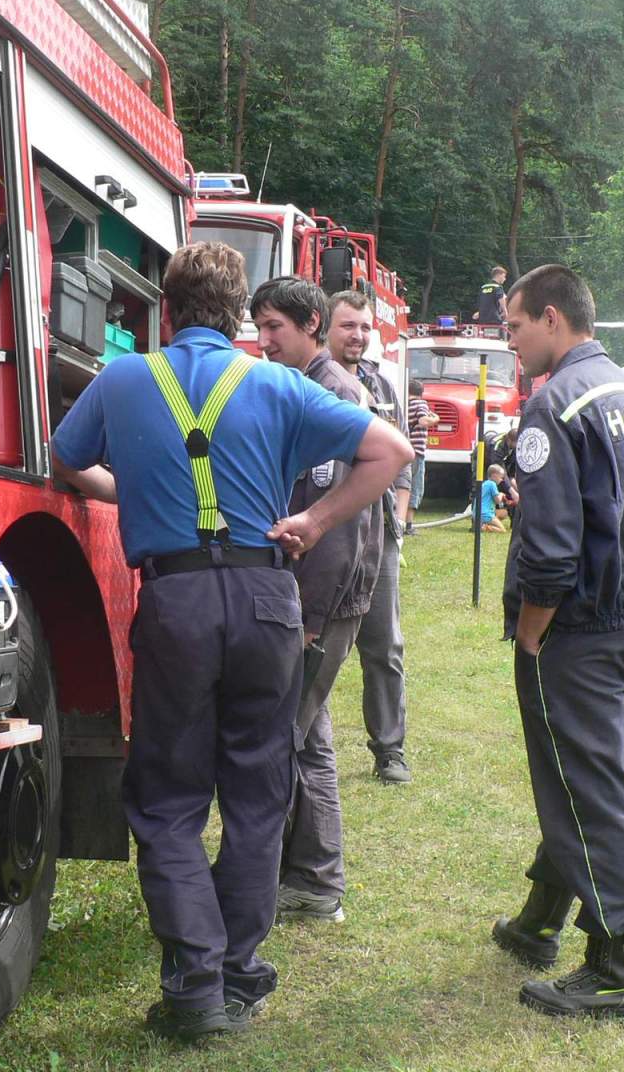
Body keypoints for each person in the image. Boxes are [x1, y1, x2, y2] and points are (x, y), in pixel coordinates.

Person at [51, 242, 409, 1041]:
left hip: (176, 600)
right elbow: (392, 451)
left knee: (168, 800)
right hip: (267, 600)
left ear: (166, 309)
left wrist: (139, 491)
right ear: (240, 315)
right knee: (257, 794)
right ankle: (239, 974)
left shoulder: (123, 378)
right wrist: (314, 520)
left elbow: (67, 462)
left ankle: (195, 985)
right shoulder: (278, 383)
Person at [492, 263, 624, 1020]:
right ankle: (540, 919)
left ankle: (612, 968)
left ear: (551, 318)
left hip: (578, 636)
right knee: (589, 777)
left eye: (514, 327)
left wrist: (530, 636)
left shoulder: (552, 406)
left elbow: (551, 553)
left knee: (591, 792)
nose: (510, 343)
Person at [249, 277, 385, 921]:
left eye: (274, 327)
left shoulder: (332, 394)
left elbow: (342, 524)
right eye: (259, 327)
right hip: (317, 598)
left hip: (323, 600)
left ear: (310, 324)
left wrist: (311, 618)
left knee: (289, 736)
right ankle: (313, 877)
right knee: (311, 735)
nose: (263, 340)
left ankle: (306, 880)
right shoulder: (307, 386)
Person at [326, 290, 413, 786]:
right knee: (312, 641)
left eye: (364, 327)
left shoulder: (379, 385)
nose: (358, 336)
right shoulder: (310, 383)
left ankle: (390, 750)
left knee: (384, 646)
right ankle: (294, 737)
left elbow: (404, 458)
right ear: (324, 328)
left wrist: (398, 514)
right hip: (326, 533)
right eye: (348, 326)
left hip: (379, 538)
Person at [405, 378, 432, 528]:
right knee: (415, 488)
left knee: (403, 485)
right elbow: (423, 421)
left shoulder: (403, 404)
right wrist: (436, 419)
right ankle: (409, 524)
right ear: (421, 393)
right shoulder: (421, 404)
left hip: (403, 450)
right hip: (416, 451)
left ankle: (398, 522)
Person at [478, 465, 507, 533]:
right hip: (485, 514)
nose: (501, 480)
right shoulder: (492, 484)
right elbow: (498, 501)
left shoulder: (485, 484)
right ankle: (485, 527)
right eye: (501, 477)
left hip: (478, 513)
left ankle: (486, 524)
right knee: (502, 530)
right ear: (494, 475)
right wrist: (501, 494)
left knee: (504, 513)